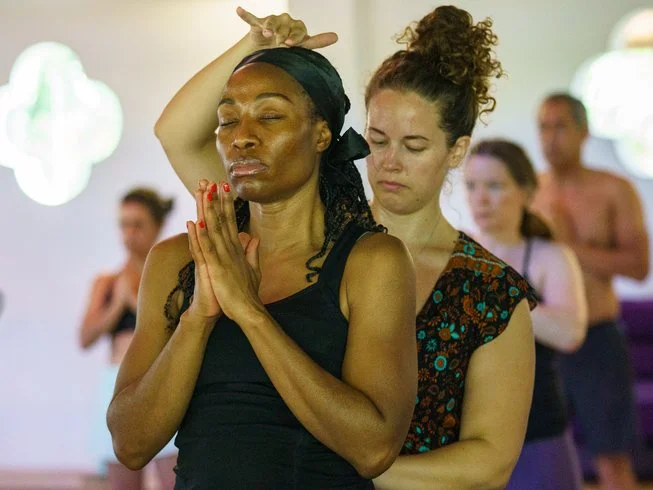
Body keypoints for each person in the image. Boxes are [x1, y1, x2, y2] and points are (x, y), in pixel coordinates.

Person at [165, 7, 537, 489]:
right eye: (377, 140)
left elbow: (489, 463)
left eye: (414, 146)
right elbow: (177, 135)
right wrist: (257, 50)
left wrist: (344, 463)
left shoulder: (489, 290)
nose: (389, 162)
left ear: (457, 150)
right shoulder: (295, 229)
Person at [107, 10, 418, 489]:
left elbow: (373, 448)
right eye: (228, 120)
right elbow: (130, 445)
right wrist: (198, 318)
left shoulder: (372, 262)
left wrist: (250, 313)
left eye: (270, 116)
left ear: (321, 134)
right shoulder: (179, 261)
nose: (242, 137)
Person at [533, 92, 650, 490]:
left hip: (598, 339)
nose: (550, 139)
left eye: (560, 127)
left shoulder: (613, 189)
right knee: (541, 454)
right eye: (543, 128)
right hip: (543, 340)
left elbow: (639, 266)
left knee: (613, 460)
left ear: (584, 133)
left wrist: (568, 245)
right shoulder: (530, 191)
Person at [465, 139, 587, 490]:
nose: (480, 198)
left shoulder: (550, 256)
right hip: (466, 433)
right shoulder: (455, 249)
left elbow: (570, 332)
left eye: (494, 186)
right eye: (471, 186)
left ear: (527, 192)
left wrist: (492, 297)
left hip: (537, 430)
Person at [78, 188, 176, 490]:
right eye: (124, 224)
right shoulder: (108, 282)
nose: (130, 233)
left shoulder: (174, 276)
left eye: (138, 224)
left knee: (174, 476)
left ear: (157, 226)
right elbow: (85, 338)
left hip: (162, 381)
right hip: (117, 383)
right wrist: (117, 305)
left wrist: (136, 301)